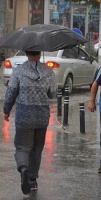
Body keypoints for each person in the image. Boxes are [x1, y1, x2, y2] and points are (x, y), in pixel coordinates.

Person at [3, 51, 57, 194]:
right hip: (41, 117)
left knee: (22, 147)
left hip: (24, 117)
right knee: (37, 149)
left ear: (26, 53)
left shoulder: (19, 71)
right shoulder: (48, 71)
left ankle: (23, 168)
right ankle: (32, 180)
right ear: (40, 54)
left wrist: (6, 110)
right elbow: (53, 93)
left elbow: (11, 92)